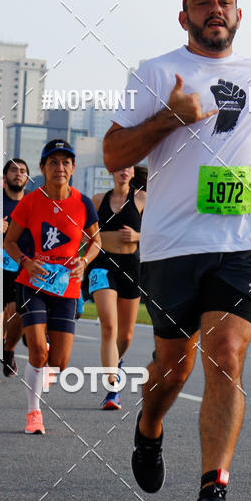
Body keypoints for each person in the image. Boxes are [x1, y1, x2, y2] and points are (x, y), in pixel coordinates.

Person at [103, 0, 251, 501]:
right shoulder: (154, 72)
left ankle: (213, 490)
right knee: (173, 366)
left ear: (238, 15)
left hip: (244, 242)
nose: (214, 9)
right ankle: (149, 424)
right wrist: (170, 117)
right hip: (172, 245)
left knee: (226, 353)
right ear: (184, 16)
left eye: (225, 1)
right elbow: (112, 150)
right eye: (202, 2)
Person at [4, 139, 100, 435]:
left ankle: (43, 362)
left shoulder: (83, 203)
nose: (60, 167)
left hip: (67, 288)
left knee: (58, 362)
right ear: (43, 168)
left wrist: (85, 261)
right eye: (53, 162)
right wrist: (25, 261)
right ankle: (34, 413)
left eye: (65, 162)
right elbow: (9, 242)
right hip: (33, 283)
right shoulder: (30, 202)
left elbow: (96, 241)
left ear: (72, 168)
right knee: (36, 351)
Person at [88, 167, 146, 410]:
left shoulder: (142, 199)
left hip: (131, 267)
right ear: (111, 171)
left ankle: (116, 362)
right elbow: (85, 231)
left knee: (126, 335)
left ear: (132, 173)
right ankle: (113, 388)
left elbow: (159, 231)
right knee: (109, 326)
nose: (124, 171)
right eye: (119, 167)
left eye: (128, 167)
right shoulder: (98, 200)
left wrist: (137, 236)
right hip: (102, 266)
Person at [0, 158, 31, 383]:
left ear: (27, 178)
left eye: (22, 171)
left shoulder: (32, 202)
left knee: (17, 313)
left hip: (21, 266)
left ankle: (8, 349)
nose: (18, 174)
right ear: (5, 177)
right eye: (13, 170)